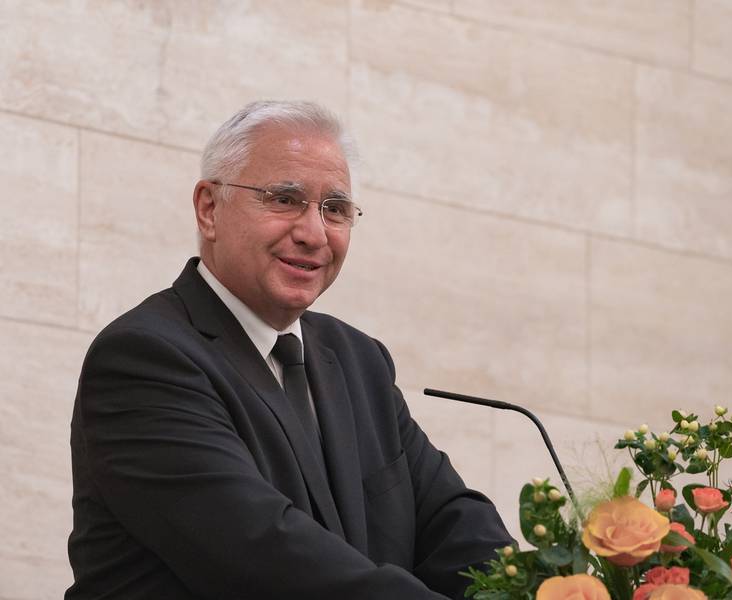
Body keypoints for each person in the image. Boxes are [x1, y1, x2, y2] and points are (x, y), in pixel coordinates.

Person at [66, 100, 512, 599]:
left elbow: (454, 525)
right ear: (209, 209)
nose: (313, 233)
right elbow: (266, 558)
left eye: (336, 209)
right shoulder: (145, 358)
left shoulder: (358, 359)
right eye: (284, 199)